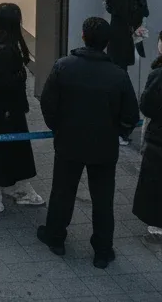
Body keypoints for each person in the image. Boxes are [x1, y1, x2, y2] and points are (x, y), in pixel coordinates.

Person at [37, 15, 140, 268]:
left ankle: (56, 237)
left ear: (83, 36)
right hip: (104, 147)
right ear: (107, 43)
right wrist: (118, 132)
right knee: (103, 199)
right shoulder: (117, 75)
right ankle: (102, 250)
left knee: (62, 191)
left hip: (69, 141)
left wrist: (58, 127)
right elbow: (130, 115)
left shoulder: (64, 66)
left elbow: (48, 103)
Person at [0, 3, 45, 212]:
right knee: (8, 148)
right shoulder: (8, 46)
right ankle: (0, 188)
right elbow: (2, 81)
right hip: (6, 108)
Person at [133, 31, 162, 245]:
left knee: (155, 180)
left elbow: (147, 106)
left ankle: (157, 224)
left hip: (158, 138)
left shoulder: (158, 74)